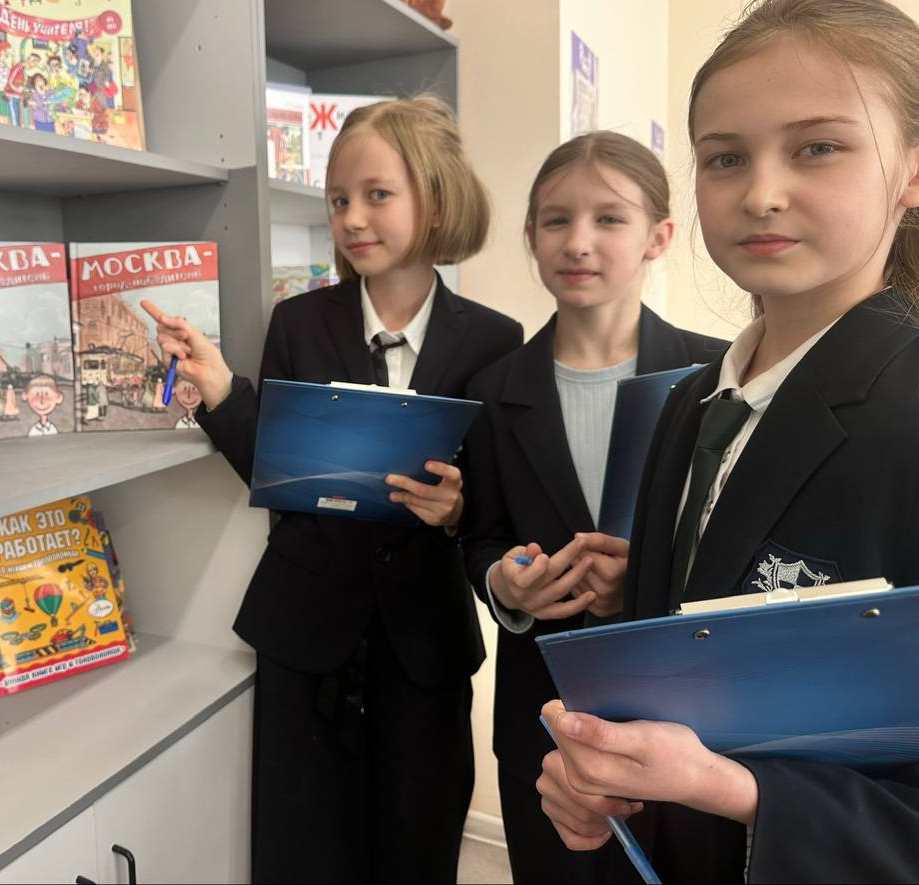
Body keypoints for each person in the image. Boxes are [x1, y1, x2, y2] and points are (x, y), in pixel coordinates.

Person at [536, 1, 919, 880]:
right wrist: (603, 773)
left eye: (816, 146)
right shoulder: (689, 404)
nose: (761, 193)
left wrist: (738, 791)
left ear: (910, 169)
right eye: (725, 158)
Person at [142, 96, 522, 883]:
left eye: (377, 194)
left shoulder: (493, 339)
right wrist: (220, 389)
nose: (352, 218)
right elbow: (277, 472)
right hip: (305, 633)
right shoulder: (299, 322)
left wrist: (457, 510)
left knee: (416, 844)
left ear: (436, 198)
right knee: (302, 847)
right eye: (338, 199)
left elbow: (494, 503)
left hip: (423, 642)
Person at [461, 131, 725, 883]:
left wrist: (644, 583)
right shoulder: (492, 390)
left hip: (686, 713)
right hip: (543, 713)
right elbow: (480, 538)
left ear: (658, 236)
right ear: (531, 235)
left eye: (609, 218)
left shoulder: (717, 373)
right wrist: (505, 586)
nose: (578, 242)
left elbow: (737, 543)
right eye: (556, 220)